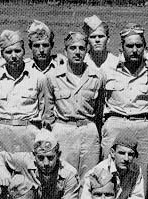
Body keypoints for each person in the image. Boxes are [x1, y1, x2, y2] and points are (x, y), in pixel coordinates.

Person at [101, 23, 148, 199]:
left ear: (145, 47)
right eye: (129, 46)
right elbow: (99, 104)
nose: (134, 50)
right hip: (115, 125)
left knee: (143, 178)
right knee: (108, 175)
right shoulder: (107, 71)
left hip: (143, 127)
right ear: (121, 48)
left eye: (138, 46)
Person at [45, 31, 104, 180]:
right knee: (63, 176)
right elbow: (47, 110)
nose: (77, 52)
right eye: (72, 48)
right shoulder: (53, 77)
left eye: (81, 48)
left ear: (87, 51)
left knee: (89, 177)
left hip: (88, 131)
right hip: (64, 130)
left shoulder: (97, 77)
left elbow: (100, 109)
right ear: (65, 51)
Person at [0, 130, 79, 199]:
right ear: (34, 155)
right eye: (40, 158)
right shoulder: (25, 160)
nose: (46, 163)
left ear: (58, 155)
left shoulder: (69, 174)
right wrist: (1, 169)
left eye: (50, 158)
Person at [0, 30, 45, 153]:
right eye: (8, 52)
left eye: (17, 51)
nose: (14, 56)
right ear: (2, 54)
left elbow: (43, 109)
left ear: (24, 52)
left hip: (28, 133)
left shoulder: (38, 77)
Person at [80, 131, 145, 199]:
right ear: (112, 153)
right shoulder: (98, 171)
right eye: (121, 153)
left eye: (130, 154)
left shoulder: (136, 171)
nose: (126, 159)